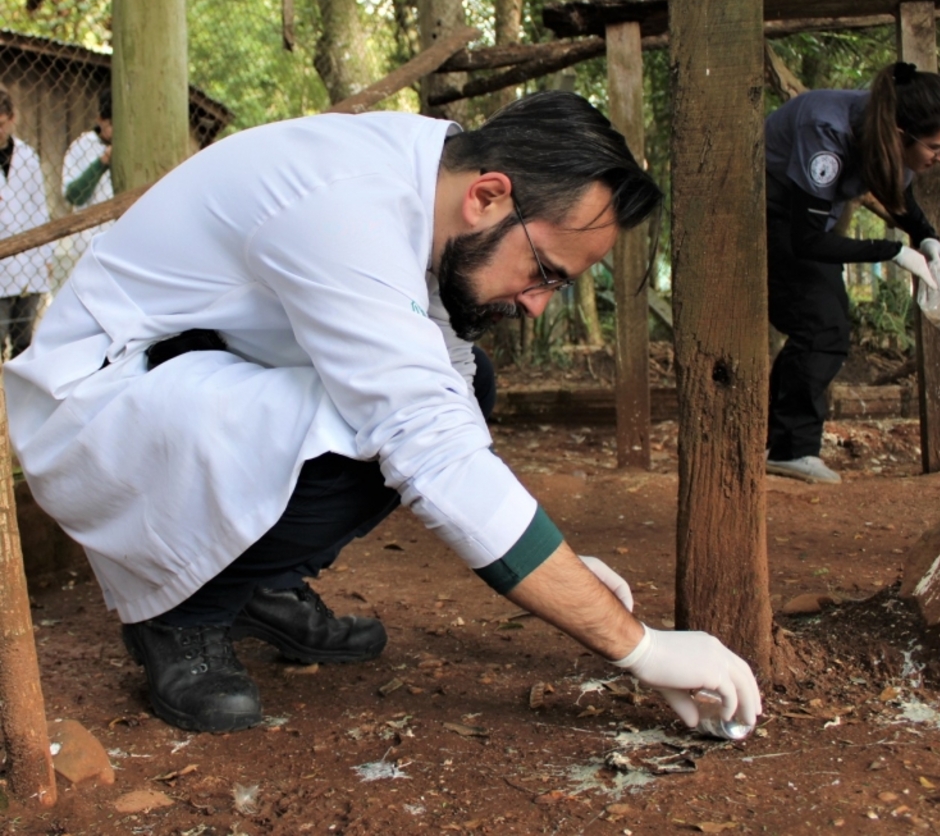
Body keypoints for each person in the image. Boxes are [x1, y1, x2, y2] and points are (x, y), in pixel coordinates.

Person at [6, 92, 762, 735]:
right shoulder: (349, 206)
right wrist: (640, 648)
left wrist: (558, 565)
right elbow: (430, 449)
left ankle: (254, 584)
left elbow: (449, 401)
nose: (535, 304)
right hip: (102, 402)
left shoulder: (433, 179)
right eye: (543, 272)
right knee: (373, 431)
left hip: (203, 372)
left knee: (468, 387)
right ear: (489, 195)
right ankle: (181, 615)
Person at [764, 61, 940, 485]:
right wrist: (893, 250)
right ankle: (789, 449)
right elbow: (806, 241)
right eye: (936, 147)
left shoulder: (890, 130)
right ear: (900, 134)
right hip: (766, 212)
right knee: (821, 327)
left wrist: (925, 237)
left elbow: (899, 189)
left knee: (824, 327)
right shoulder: (828, 132)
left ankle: (780, 442)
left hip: (809, 220)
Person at [0, 86, 51, 359]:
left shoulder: (28, 158)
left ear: (12, 118)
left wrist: (46, 256)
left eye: (0, 124)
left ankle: (19, 399)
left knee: (25, 344)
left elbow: (39, 208)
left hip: (29, 264)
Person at [54, 88, 114, 292]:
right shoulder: (82, 146)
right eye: (111, 125)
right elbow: (73, 195)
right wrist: (102, 162)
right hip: (90, 246)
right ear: (100, 120)